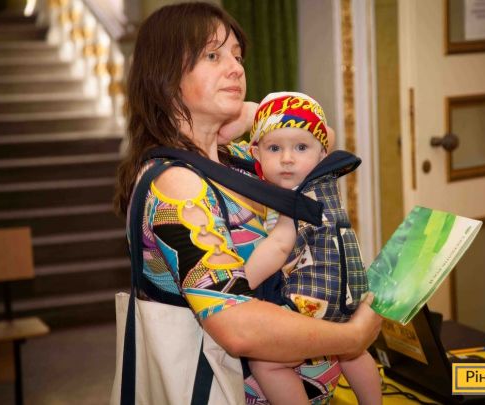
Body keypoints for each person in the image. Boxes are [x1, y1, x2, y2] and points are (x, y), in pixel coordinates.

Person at [113, 2, 382, 404]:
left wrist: (245, 116)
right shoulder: (177, 185)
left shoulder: (235, 160)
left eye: (237, 57)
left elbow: (315, 135)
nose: (236, 69)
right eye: (213, 55)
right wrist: (352, 338)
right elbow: (237, 326)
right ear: (165, 77)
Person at [238, 92, 382, 405]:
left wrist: (241, 283)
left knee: (266, 362)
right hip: (351, 291)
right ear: (256, 153)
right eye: (274, 148)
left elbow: (279, 245)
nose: (287, 158)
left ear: (322, 153)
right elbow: (322, 133)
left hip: (316, 294)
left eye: (300, 148)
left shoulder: (294, 195)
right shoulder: (323, 180)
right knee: (352, 351)